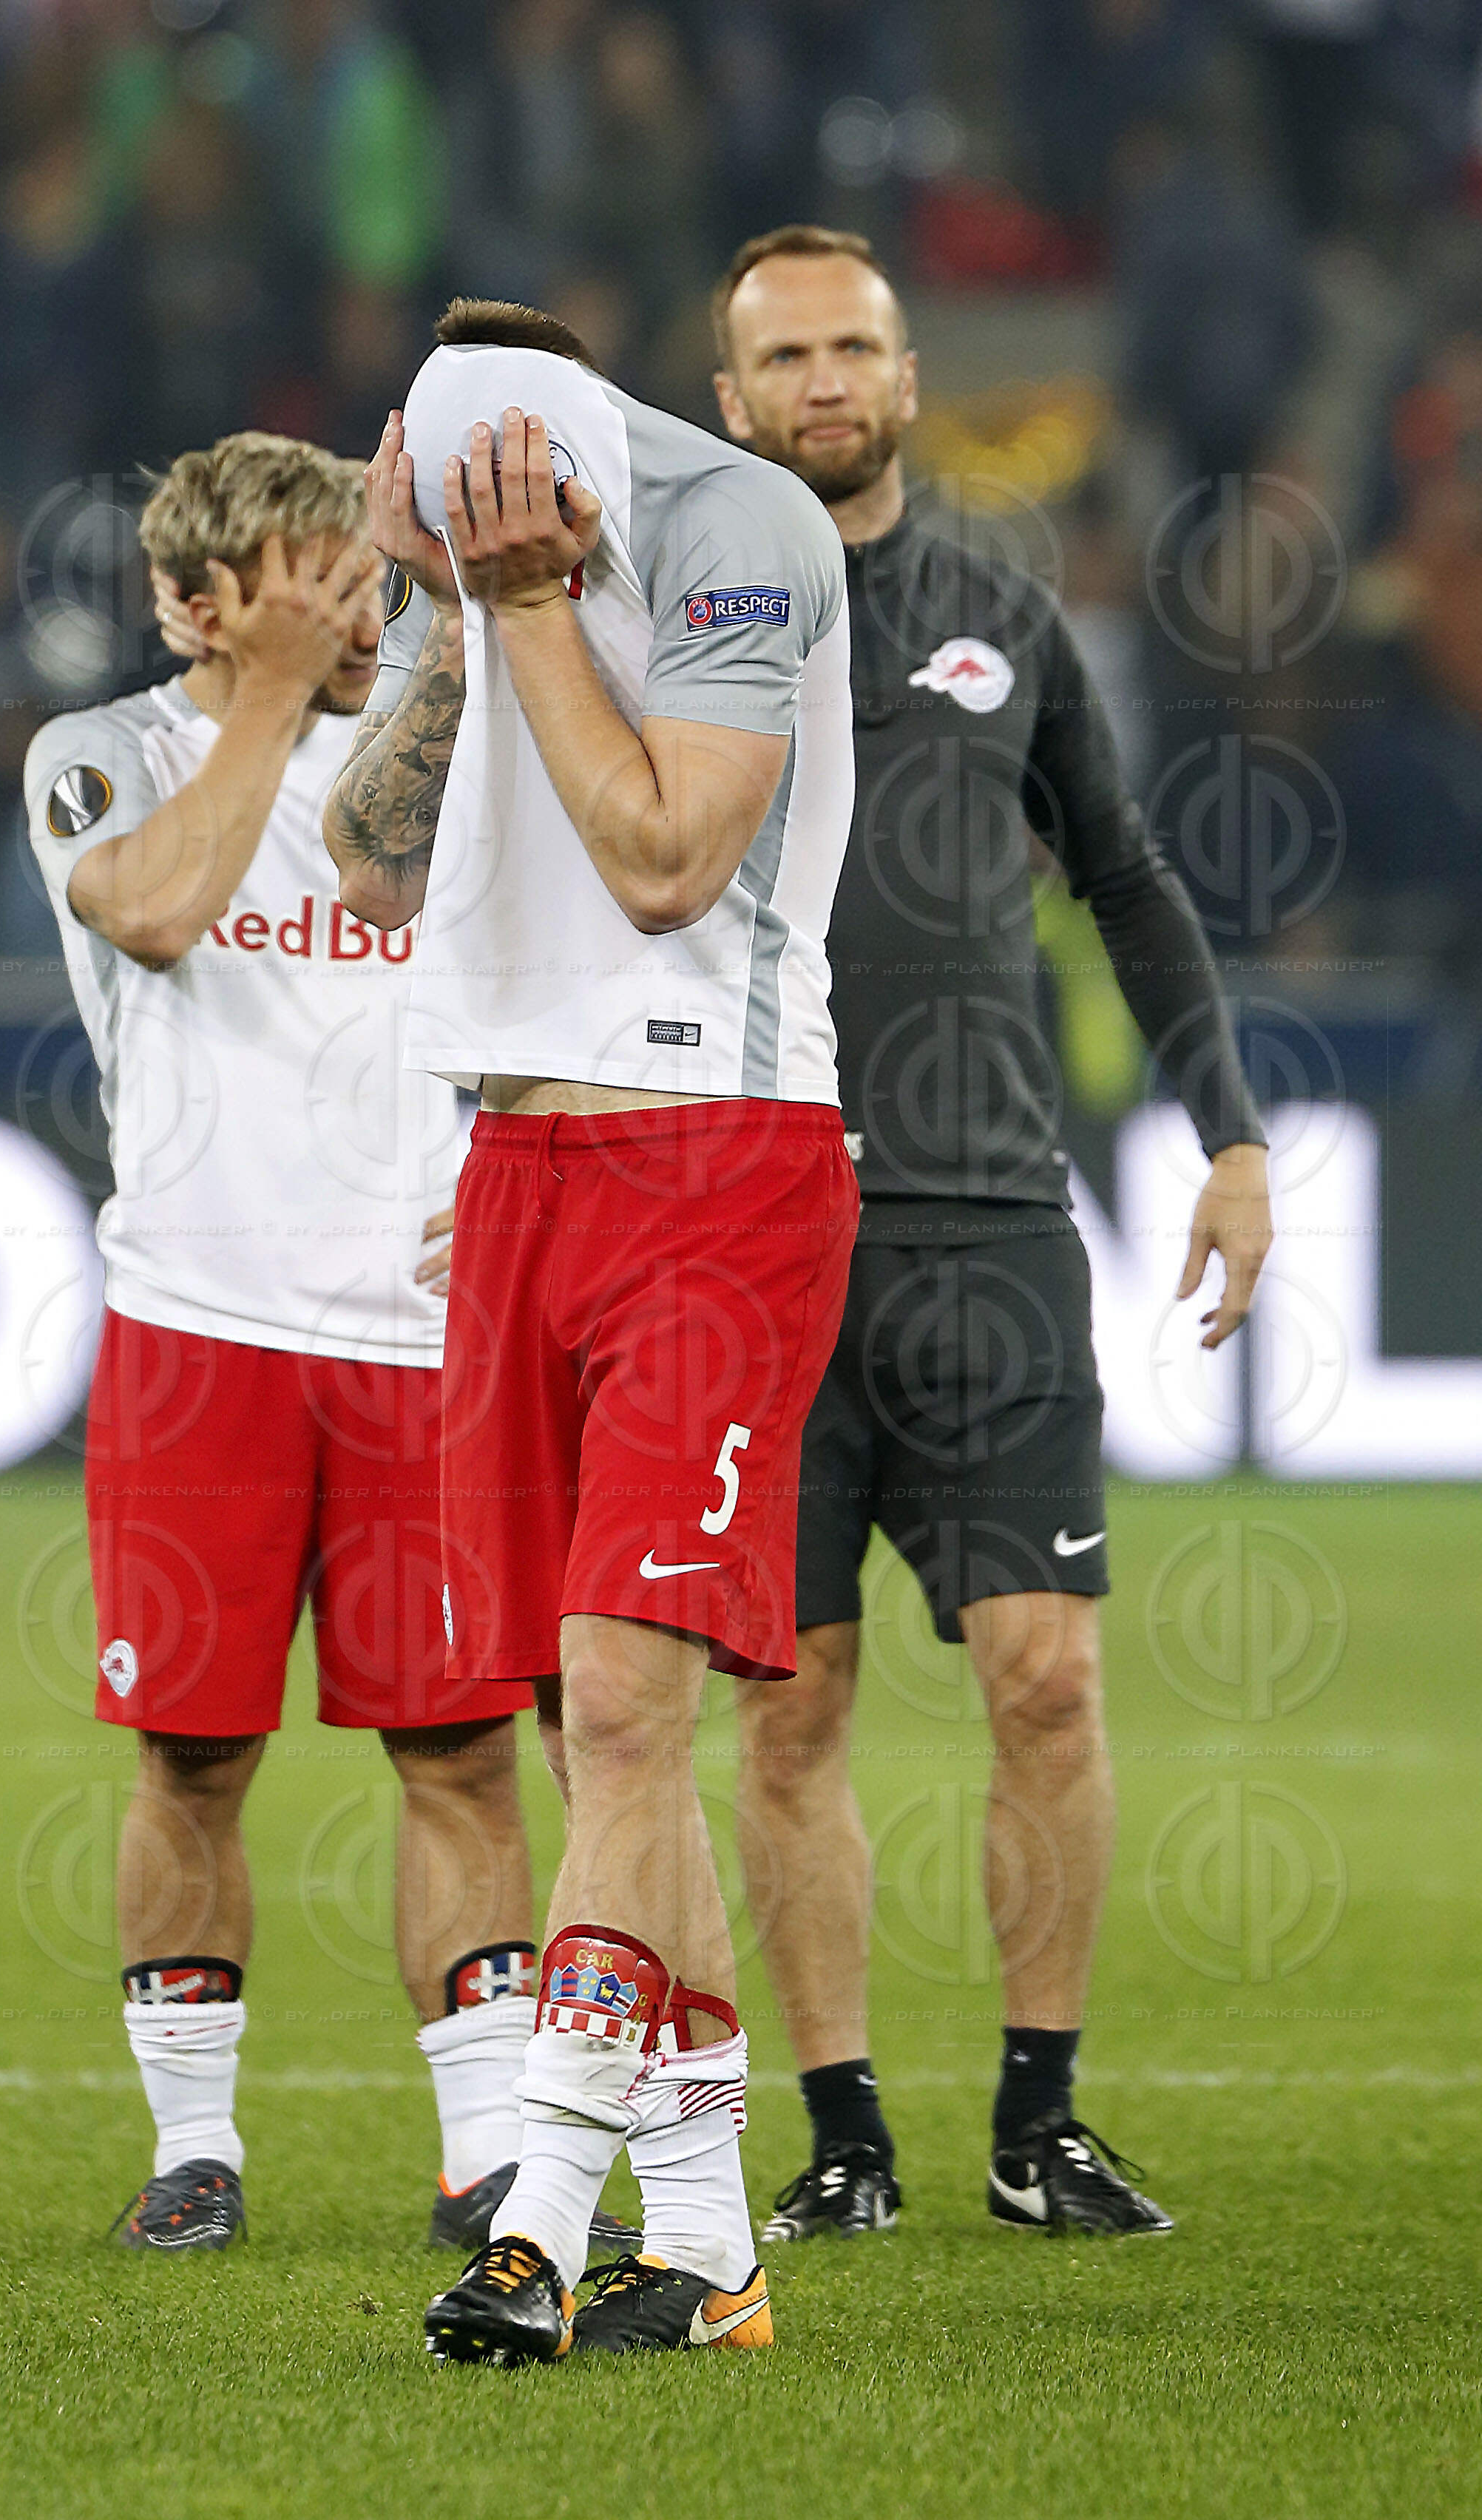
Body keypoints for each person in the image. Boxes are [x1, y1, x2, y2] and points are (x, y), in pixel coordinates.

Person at [708, 226, 1275, 2241]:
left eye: (857, 343)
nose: (828, 379)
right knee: (792, 1705)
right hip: (754, 1224)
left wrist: (1228, 1136)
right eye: (787, 355)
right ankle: (842, 2137)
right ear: (731, 399)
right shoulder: (677, 627)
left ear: (911, 374)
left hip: (988, 1217)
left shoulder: (999, 607)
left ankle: (1038, 2126)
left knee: (1047, 1678)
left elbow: (1124, 874)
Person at [324, 299, 859, 2361]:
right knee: (585, 1731)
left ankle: (543, 2216)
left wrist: (532, 600)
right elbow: (376, 873)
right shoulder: (482, 562)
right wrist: (446, 611)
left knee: (630, 1721)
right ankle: (713, 2244)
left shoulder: (744, 524)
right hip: (521, 1177)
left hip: (717, 1167)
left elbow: (663, 857)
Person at [24, 432, 550, 2258]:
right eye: (311, 580)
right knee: (190, 1756)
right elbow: (162, 912)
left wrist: (512, 1175)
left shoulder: (452, 759)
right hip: (199, 1331)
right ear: (193, 600)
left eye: (367, 574)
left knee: (463, 1752)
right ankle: (197, 2149)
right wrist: (258, 696)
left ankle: (484, 2152)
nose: (358, 610)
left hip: (426, 1341)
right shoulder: (102, 760)